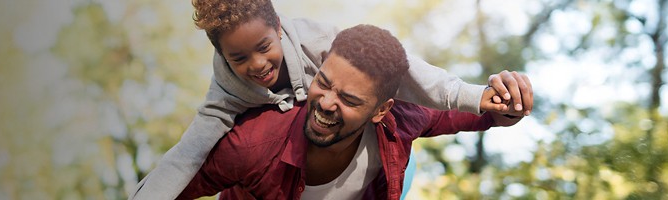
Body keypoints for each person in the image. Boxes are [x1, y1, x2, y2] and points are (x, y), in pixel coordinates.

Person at [130, 0, 535, 199]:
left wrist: (491, 102)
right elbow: (184, 164)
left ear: (382, 109)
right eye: (322, 84)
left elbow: (418, 80)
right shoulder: (249, 138)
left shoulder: (321, 41)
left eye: (350, 98)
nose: (257, 64)